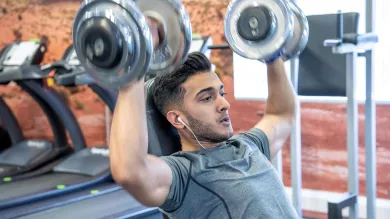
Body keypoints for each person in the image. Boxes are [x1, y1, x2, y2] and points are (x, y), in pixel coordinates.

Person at [109, 48, 299, 218]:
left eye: (221, 94)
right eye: (207, 98)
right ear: (177, 119)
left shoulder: (249, 145)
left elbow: (281, 114)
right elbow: (129, 171)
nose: (225, 105)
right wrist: (133, 74)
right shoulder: (183, 174)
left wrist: (273, 55)